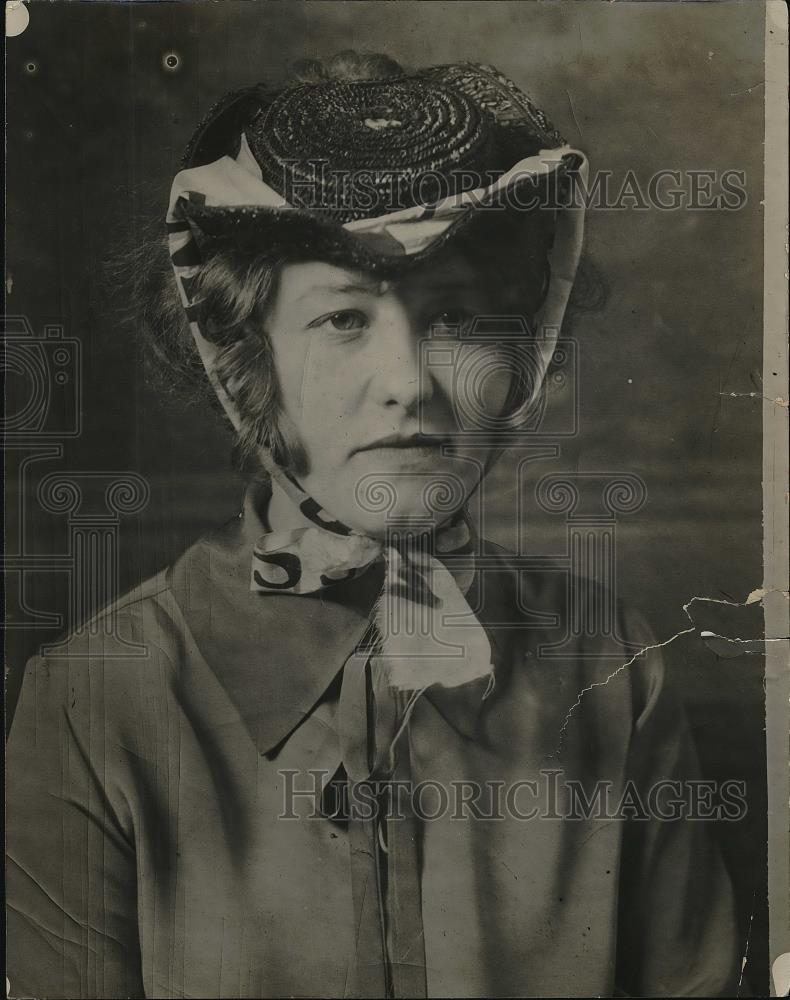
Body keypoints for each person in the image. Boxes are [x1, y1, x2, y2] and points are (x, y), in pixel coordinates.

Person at [6, 51, 738, 999]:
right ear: (246, 362)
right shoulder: (95, 703)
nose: (409, 380)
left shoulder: (610, 664)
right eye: (344, 320)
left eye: (460, 319)